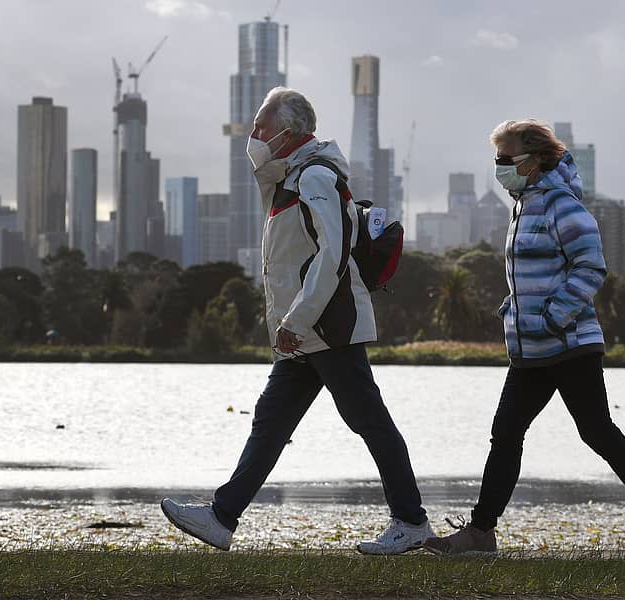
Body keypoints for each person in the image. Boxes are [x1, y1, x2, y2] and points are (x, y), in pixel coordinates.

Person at [160, 87, 434, 554]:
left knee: (369, 421)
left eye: (261, 127)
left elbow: (334, 254)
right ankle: (222, 518)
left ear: (288, 134)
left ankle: (411, 522)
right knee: (271, 420)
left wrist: (298, 319)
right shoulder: (290, 177)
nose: (254, 135)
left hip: (326, 328)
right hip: (304, 334)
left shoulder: (314, 178)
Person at [423, 120, 625, 559]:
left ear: (533, 160)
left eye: (505, 159)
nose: (500, 167)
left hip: (568, 344)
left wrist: (551, 315)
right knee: (505, 434)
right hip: (531, 348)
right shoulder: (523, 205)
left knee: (597, 431)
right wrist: (514, 310)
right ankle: (481, 533)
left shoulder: (561, 205)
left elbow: (591, 267)